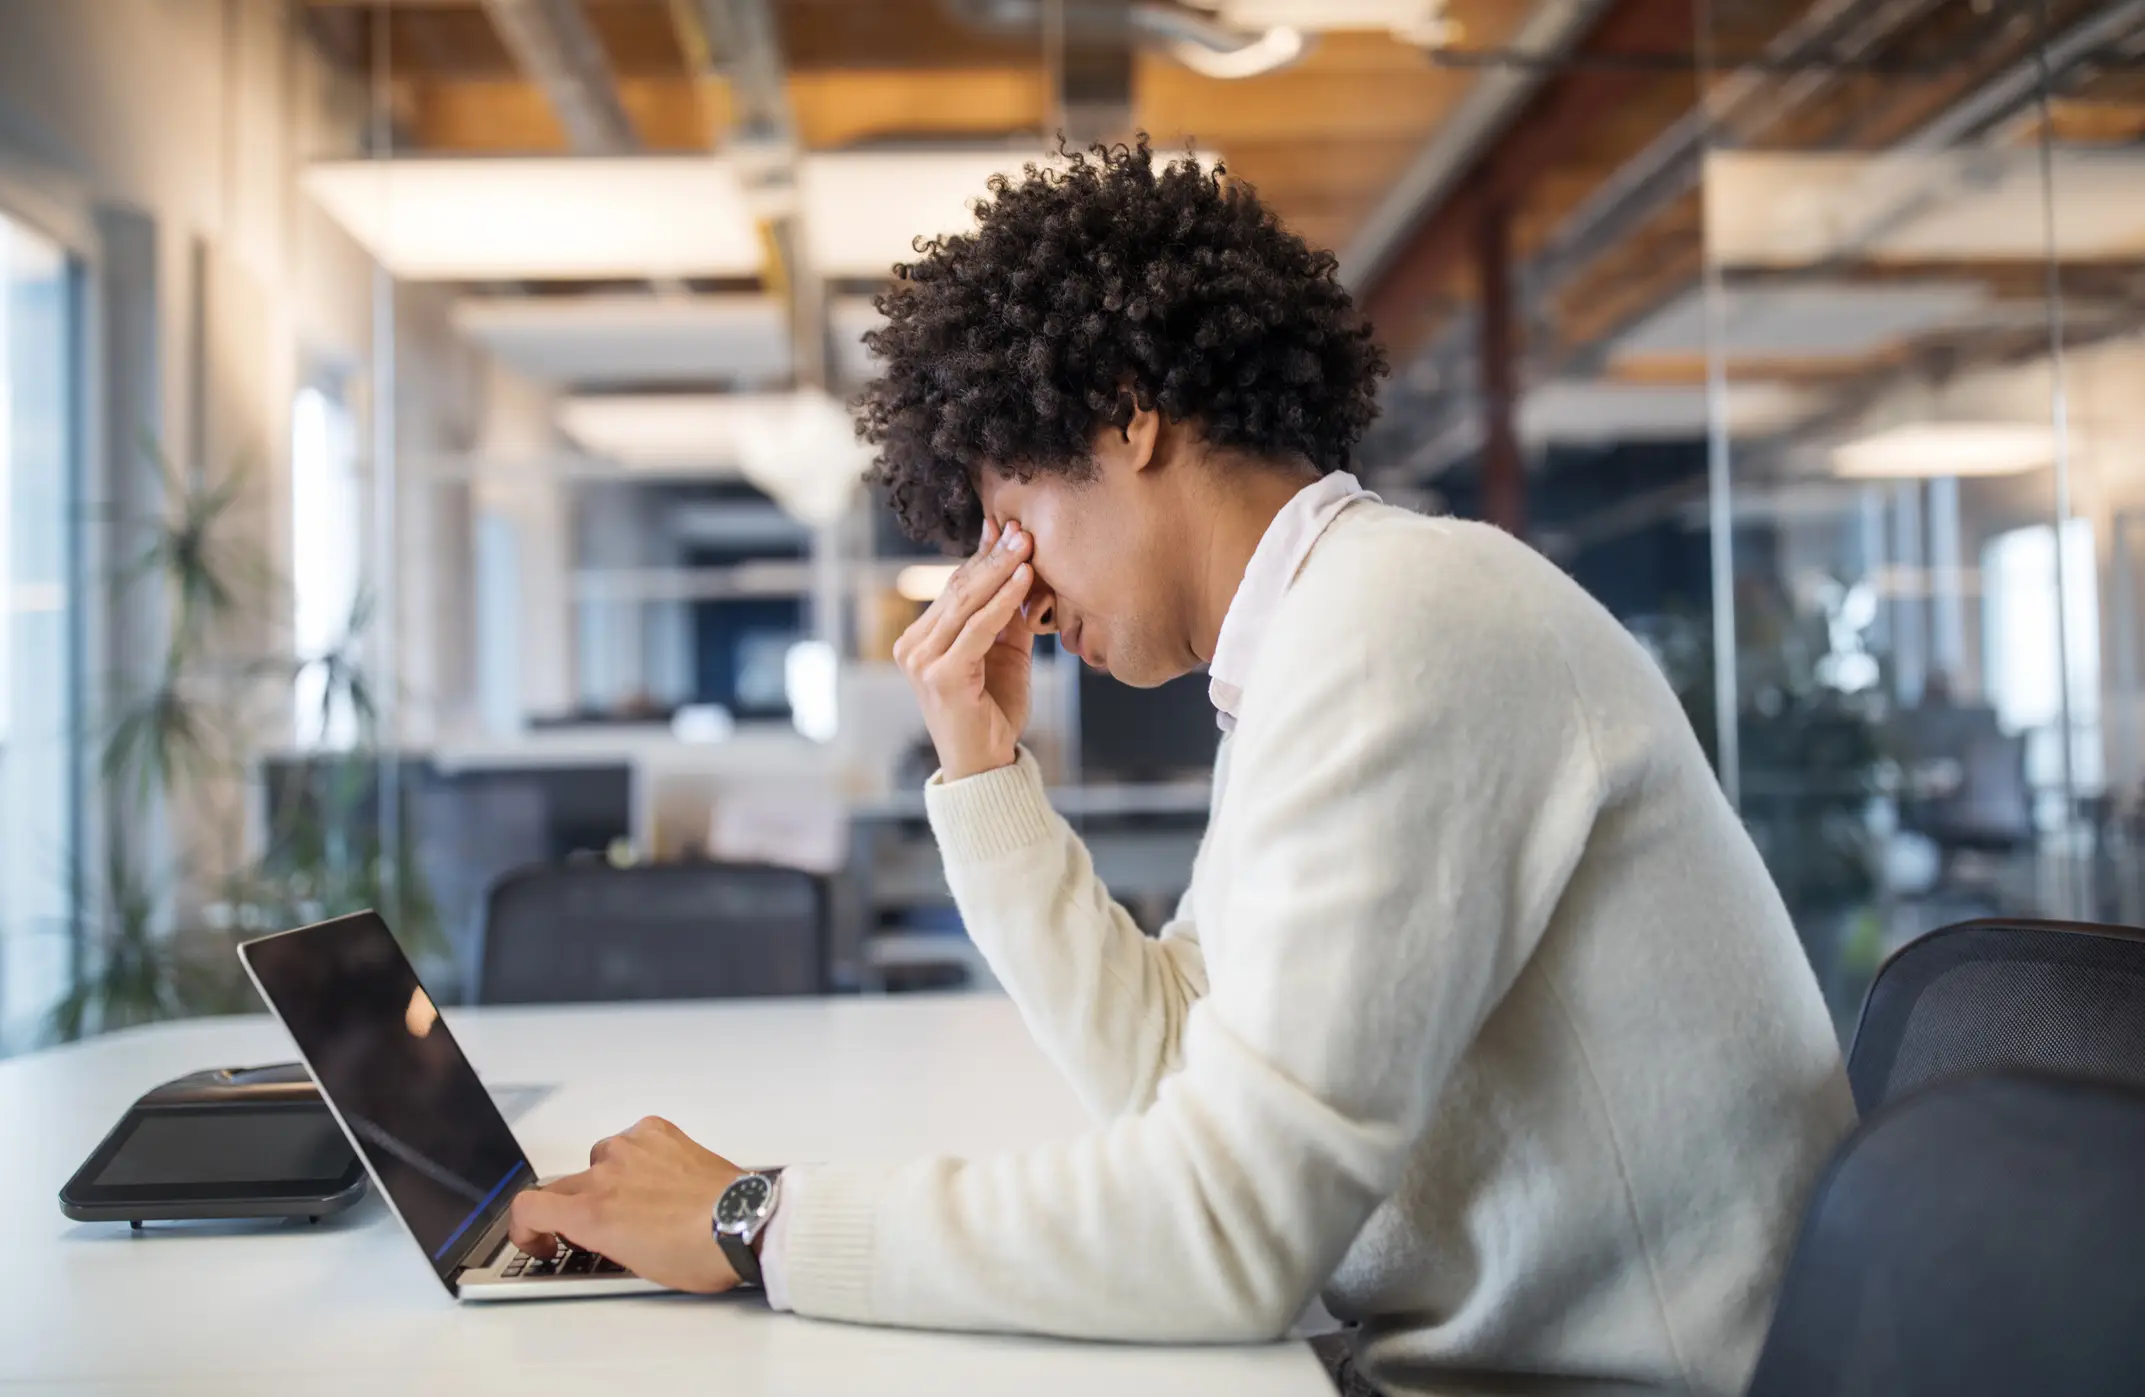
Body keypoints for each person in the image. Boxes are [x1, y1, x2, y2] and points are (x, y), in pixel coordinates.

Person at [508, 139, 1855, 1397]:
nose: (1007, 586)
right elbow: (1171, 1070)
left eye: (1007, 515)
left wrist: (757, 1222)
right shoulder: (1326, 639)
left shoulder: (1406, 626)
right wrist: (985, 775)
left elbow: (1227, 1235)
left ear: (1128, 416)